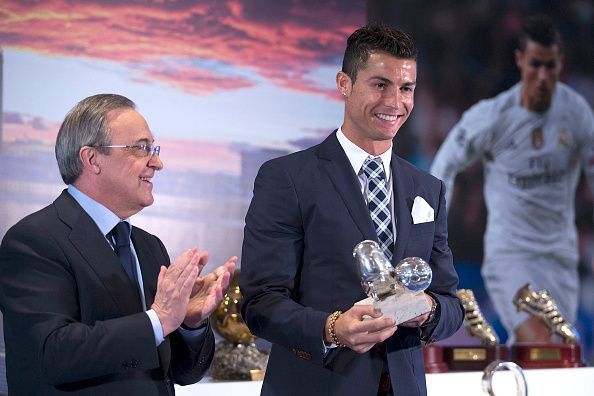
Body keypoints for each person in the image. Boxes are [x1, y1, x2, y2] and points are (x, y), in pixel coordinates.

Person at [240, 25, 463, 396]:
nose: (395, 102)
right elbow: (261, 301)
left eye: (406, 88)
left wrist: (427, 309)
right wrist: (332, 328)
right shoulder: (287, 178)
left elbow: (450, 302)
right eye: (380, 84)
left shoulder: (428, 189)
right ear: (345, 83)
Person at [0, 94, 237, 395]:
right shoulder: (34, 240)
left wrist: (189, 324)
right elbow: (51, 354)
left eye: (154, 148)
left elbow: (181, 374)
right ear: (92, 159)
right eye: (141, 148)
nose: (158, 162)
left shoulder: (149, 247)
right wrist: (159, 319)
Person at [430, 15, 594, 345]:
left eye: (551, 65)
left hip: (559, 255)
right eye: (535, 64)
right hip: (511, 253)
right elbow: (444, 165)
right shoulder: (493, 115)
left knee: (557, 352)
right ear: (520, 60)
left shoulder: (576, 113)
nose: (543, 75)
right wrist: (431, 227)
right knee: (537, 342)